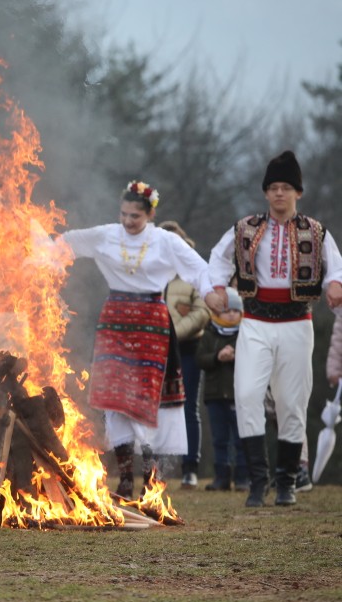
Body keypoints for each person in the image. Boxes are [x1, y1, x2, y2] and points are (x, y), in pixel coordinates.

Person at [203, 151, 342, 507]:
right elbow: (217, 259)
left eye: (286, 187)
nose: (279, 193)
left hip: (297, 322)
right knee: (247, 393)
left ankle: (286, 483)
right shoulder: (245, 228)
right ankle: (257, 481)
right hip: (256, 323)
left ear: (298, 193)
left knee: (291, 402)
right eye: (274, 187)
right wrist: (214, 289)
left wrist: (335, 284)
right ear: (266, 193)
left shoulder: (316, 231)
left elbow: (336, 267)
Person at [58, 180, 209, 500]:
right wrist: (38, 257)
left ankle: (152, 480)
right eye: (124, 214)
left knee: (149, 398)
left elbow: (199, 269)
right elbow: (68, 242)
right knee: (115, 397)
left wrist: (214, 293)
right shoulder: (107, 234)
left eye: (135, 216)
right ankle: (126, 479)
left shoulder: (166, 241)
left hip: (152, 321)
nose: (128, 221)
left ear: (150, 214)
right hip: (116, 319)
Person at [158, 221, 210, 489]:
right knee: (154, 409)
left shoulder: (194, 271)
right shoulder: (150, 270)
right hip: (154, 351)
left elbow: (202, 311)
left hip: (186, 349)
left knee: (187, 407)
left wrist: (173, 333)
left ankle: (190, 468)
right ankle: (156, 468)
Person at [196, 287, 248, 491]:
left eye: (236, 310)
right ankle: (221, 477)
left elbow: (255, 359)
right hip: (215, 395)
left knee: (240, 438)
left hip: (238, 395)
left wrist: (237, 356)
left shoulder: (246, 333)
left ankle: (243, 477)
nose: (232, 314)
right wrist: (217, 356)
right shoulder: (209, 333)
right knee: (219, 439)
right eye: (227, 310)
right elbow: (200, 358)